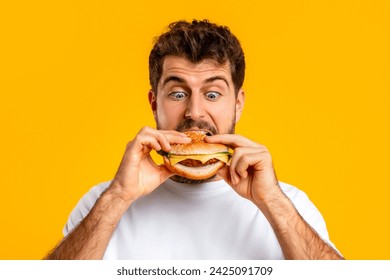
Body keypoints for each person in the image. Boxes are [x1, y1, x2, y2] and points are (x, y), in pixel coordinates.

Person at [45, 19, 343, 260]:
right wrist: (118, 196)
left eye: (212, 94)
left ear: (238, 103)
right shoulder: (102, 204)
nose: (194, 112)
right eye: (177, 93)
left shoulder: (290, 205)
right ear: (154, 103)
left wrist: (273, 202)